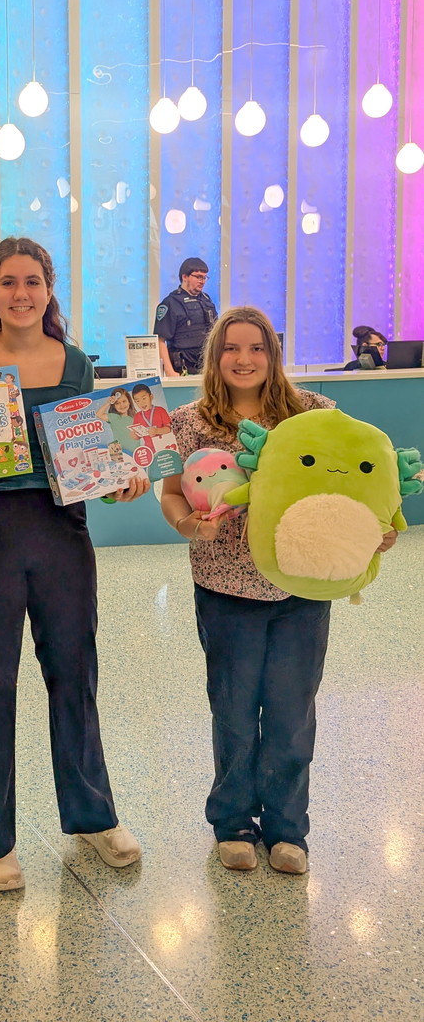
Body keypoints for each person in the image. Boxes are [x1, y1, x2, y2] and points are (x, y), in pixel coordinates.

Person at [0, 237, 147, 892]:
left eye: (32, 281)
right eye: (8, 282)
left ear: (48, 289)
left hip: (59, 531)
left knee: (74, 674)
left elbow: (91, 459)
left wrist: (120, 480)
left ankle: (92, 815)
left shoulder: (75, 362)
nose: (20, 293)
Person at [159, 306, 397, 875]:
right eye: (231, 348)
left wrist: (375, 529)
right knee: (234, 714)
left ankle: (289, 829)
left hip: (302, 590)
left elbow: (357, 480)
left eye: (257, 348)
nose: (244, 359)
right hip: (225, 588)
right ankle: (233, 824)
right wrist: (189, 525)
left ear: (273, 354)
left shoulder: (315, 414)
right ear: (215, 356)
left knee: (292, 714)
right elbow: (170, 494)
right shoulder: (187, 422)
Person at [153, 257, 218, 376]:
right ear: (184, 277)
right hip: (182, 369)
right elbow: (160, 340)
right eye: (198, 277)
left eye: (204, 278)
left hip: (207, 368)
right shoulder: (170, 303)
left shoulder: (207, 301)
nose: (202, 281)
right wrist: (169, 371)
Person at [131, 383, 174, 454]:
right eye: (138, 401)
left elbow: (168, 429)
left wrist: (157, 431)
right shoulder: (137, 417)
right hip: (149, 451)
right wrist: (135, 436)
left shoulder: (161, 410)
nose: (141, 402)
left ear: (151, 397)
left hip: (164, 448)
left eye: (144, 398)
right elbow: (139, 436)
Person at [95, 386, 139, 454]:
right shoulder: (114, 417)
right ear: (114, 406)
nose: (122, 405)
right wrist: (108, 402)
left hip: (135, 450)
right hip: (117, 451)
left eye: (124, 401)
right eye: (117, 403)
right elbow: (98, 414)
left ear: (129, 402)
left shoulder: (135, 418)